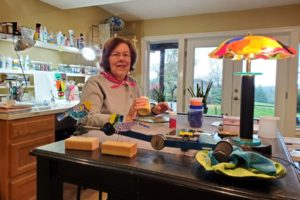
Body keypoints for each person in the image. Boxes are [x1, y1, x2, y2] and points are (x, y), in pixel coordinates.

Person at [80, 36, 169, 127]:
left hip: (131, 136)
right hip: (106, 138)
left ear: (131, 59)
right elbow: (87, 117)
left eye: (126, 55)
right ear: (107, 59)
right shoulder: (94, 83)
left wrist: (154, 110)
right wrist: (123, 119)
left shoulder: (133, 83)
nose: (121, 58)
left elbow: (140, 112)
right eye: (116, 54)